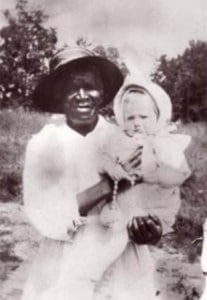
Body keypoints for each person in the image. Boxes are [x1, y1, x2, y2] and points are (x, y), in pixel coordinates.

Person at [22, 48, 162, 300]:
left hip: (123, 264)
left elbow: (144, 203)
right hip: (65, 260)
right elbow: (44, 213)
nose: (82, 96)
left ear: (103, 91)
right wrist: (107, 186)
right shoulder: (43, 145)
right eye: (70, 88)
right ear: (57, 94)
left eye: (90, 86)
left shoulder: (123, 139)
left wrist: (150, 230)